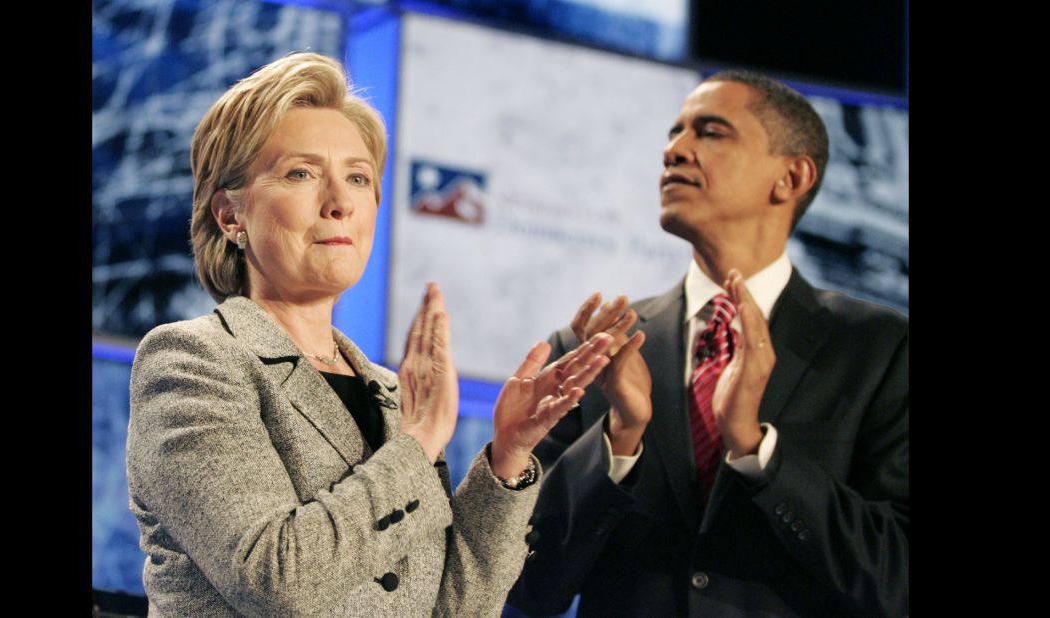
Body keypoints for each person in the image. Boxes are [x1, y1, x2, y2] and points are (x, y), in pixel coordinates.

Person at [125, 52, 613, 617]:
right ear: (231, 216)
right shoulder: (192, 362)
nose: (339, 203)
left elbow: (456, 608)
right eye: (301, 174)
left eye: (357, 178)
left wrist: (507, 457)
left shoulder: (388, 391)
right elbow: (276, 579)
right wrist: (420, 440)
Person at [507, 70, 908, 617]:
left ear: (791, 176)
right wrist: (620, 439)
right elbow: (530, 587)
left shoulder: (880, 350)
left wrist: (756, 450)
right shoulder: (593, 351)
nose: (675, 150)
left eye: (711, 132)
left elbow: (897, 577)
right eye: (674, 133)